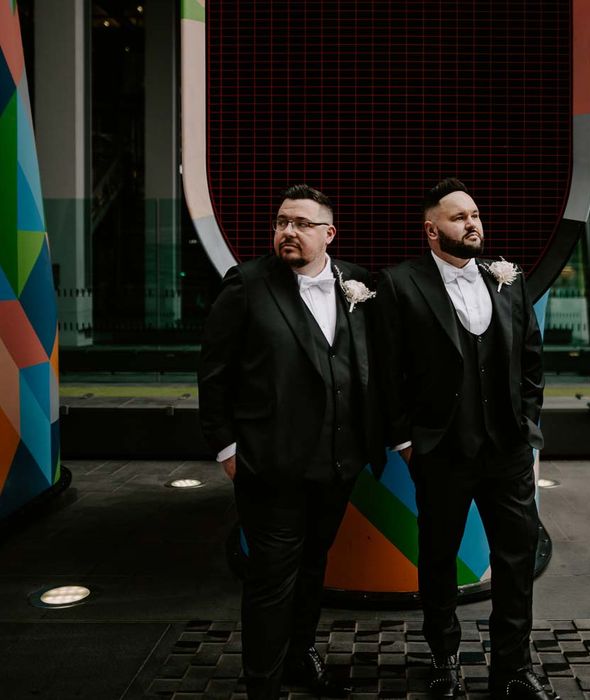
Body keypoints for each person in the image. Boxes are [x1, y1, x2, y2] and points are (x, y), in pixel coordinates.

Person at [375, 179, 558, 700]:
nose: (472, 223)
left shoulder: (510, 279)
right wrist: (407, 442)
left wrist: (528, 429)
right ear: (432, 230)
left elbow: (531, 362)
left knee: (516, 559)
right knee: (437, 560)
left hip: (508, 452)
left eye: (475, 214)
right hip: (441, 452)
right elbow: (389, 374)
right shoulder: (400, 284)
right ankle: (444, 660)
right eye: (459, 217)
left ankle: (512, 670)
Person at [198, 184, 384, 700]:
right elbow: (215, 373)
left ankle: (300, 658)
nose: (288, 232)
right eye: (282, 222)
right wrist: (228, 450)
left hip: (338, 465)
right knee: (271, 580)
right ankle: (263, 685)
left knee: (312, 568)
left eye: (301, 223)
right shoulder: (247, 284)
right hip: (269, 467)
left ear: (329, 233)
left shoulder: (360, 284)